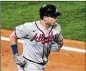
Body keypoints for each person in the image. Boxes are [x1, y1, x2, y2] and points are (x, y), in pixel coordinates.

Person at [10, 4, 63, 71]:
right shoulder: (29, 28)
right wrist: (16, 55)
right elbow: (13, 36)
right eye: (54, 16)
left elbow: (60, 41)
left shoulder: (56, 28)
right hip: (28, 65)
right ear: (45, 18)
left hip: (42, 65)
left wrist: (59, 45)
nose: (56, 18)